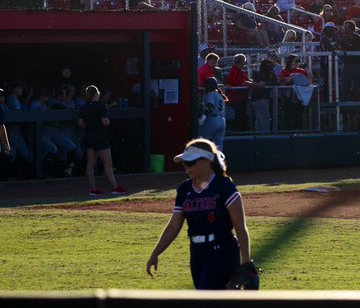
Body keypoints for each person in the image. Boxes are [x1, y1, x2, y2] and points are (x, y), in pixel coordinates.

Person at [146, 138, 255, 290]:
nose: (186, 167)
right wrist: (156, 253)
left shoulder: (224, 187)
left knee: (205, 296)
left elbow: (239, 226)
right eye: (185, 163)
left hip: (222, 251)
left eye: (191, 163)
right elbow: (174, 226)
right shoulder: (185, 190)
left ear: (207, 161)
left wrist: (246, 260)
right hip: (196, 252)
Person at [78, 85, 126, 196]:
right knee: (108, 164)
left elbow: (80, 123)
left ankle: (93, 189)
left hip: (89, 136)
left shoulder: (84, 107)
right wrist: (107, 122)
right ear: (96, 94)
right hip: (99, 137)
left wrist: (90, 125)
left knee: (90, 164)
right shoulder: (100, 106)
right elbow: (105, 122)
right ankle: (115, 187)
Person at [199, 78, 228, 151]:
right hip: (222, 120)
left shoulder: (211, 93)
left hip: (212, 119)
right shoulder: (220, 95)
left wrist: (203, 117)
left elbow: (210, 106)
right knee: (219, 149)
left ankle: (203, 162)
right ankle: (218, 162)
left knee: (202, 143)